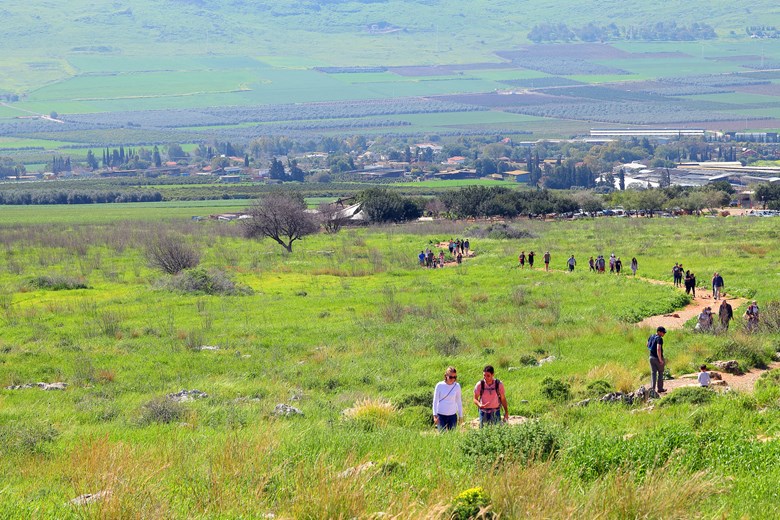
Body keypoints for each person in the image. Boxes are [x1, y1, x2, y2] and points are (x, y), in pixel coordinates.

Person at [432, 366, 463, 431]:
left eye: (455, 377)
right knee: (442, 435)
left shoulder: (457, 386)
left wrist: (461, 416)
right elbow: (435, 401)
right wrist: (435, 415)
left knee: (452, 436)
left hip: (452, 416)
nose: (453, 379)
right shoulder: (439, 385)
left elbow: (459, 401)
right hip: (441, 415)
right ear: (446, 376)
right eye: (451, 377)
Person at [647, 326, 667, 394]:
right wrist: (660, 359)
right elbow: (658, 349)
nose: (664, 334)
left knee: (653, 373)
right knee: (660, 372)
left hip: (651, 357)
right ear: (659, 332)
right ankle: (660, 388)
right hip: (657, 358)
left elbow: (647, 344)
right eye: (663, 332)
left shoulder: (651, 336)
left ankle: (652, 389)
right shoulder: (659, 339)